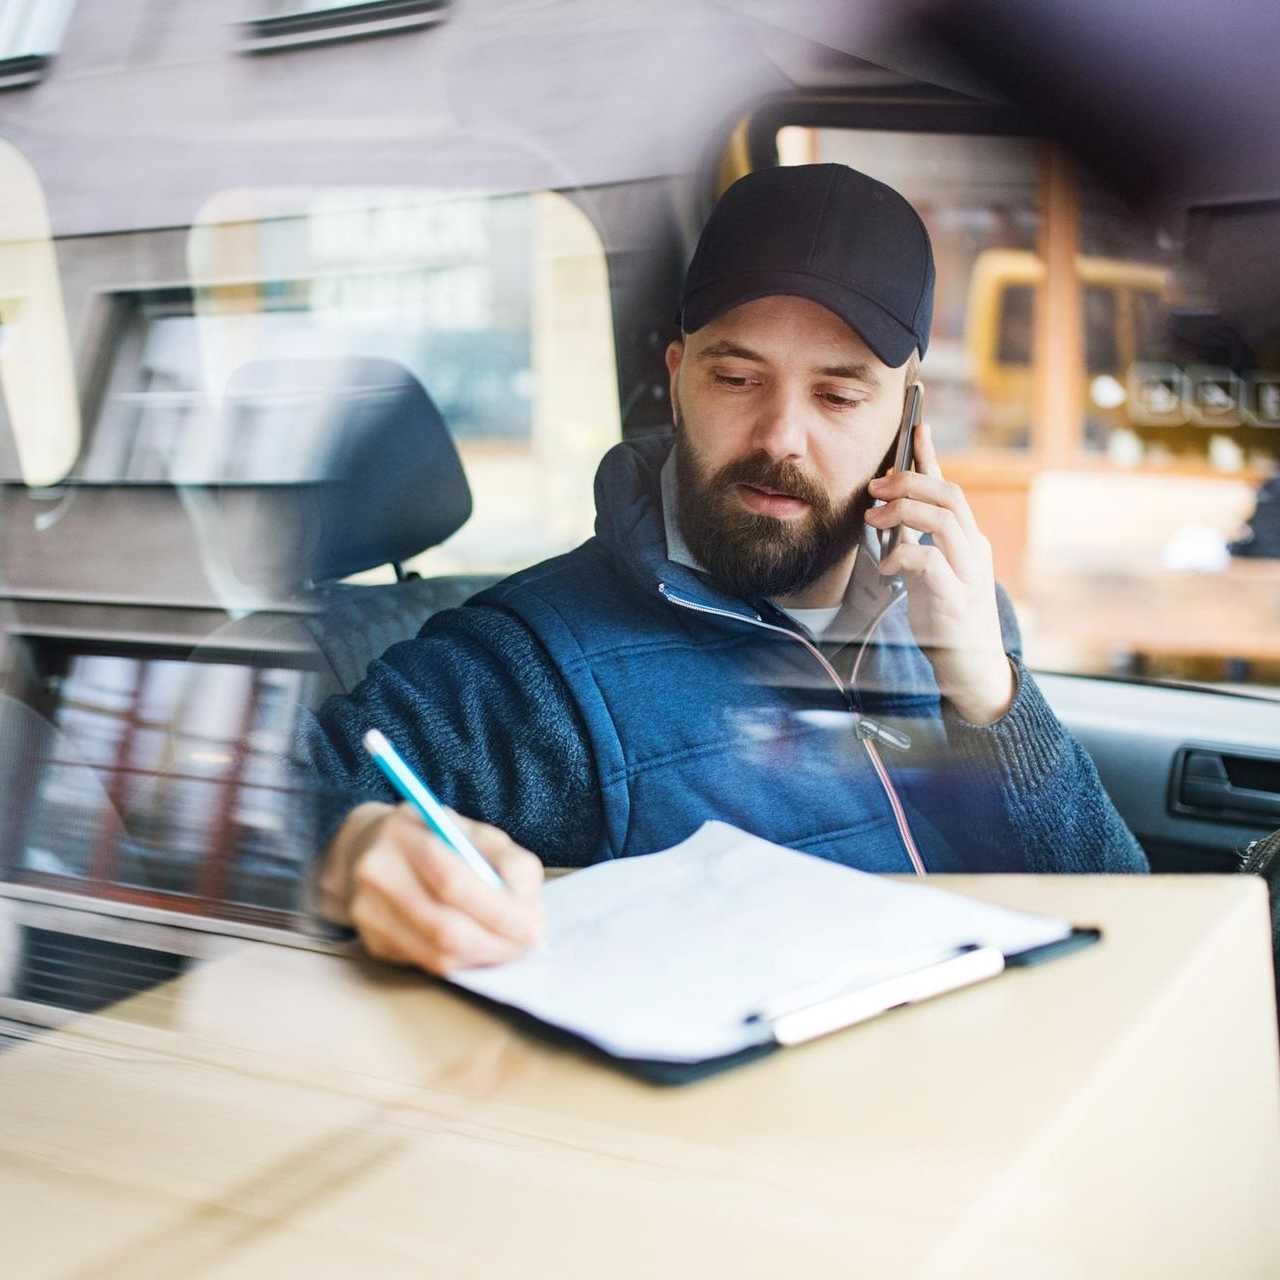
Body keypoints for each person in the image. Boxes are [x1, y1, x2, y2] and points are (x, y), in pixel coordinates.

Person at [301, 164, 1148, 974]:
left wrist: (991, 694)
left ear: (907, 418)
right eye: (738, 378)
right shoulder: (531, 667)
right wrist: (347, 849)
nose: (781, 437)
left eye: (838, 396)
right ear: (678, 381)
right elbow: (265, 802)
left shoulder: (955, 616)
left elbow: (1129, 923)